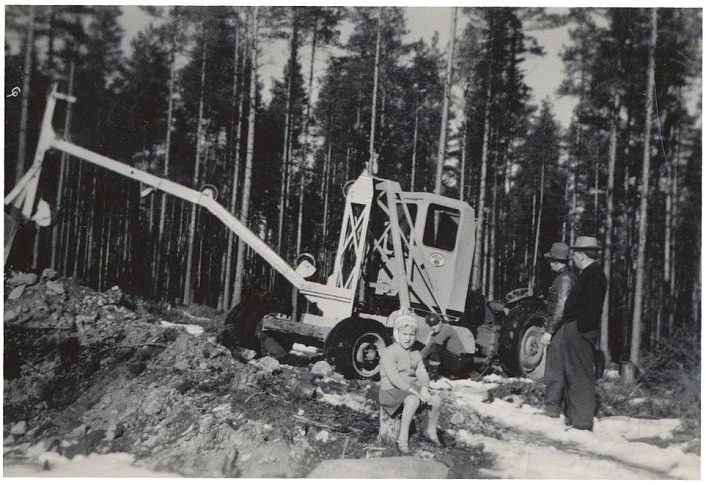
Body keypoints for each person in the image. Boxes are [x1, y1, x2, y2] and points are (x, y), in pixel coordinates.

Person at [379, 312, 443, 454]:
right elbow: (394, 377)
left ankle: (431, 432)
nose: (408, 338)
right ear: (397, 333)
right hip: (390, 390)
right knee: (413, 400)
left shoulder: (415, 354)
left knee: (436, 399)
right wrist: (414, 391)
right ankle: (403, 438)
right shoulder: (389, 352)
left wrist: (425, 388)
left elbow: (422, 373)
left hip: (409, 389)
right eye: (404, 334)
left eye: (411, 335)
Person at [563, 236, 608, 431]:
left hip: (582, 331)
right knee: (574, 372)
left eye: (574, 253)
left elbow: (593, 307)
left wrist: (581, 327)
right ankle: (575, 418)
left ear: (582, 254)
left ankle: (582, 422)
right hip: (578, 329)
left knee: (581, 374)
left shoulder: (594, 275)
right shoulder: (588, 273)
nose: (572, 257)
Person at [540, 242, 577, 418]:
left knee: (555, 368)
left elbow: (560, 308)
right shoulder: (566, 277)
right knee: (558, 367)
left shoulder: (563, 279)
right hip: (563, 328)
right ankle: (555, 406)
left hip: (560, 329)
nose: (550, 265)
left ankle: (552, 408)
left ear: (555, 261)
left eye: (551, 261)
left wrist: (549, 330)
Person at [421, 313, 474, 380]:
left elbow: (437, 342)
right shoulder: (434, 334)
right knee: (425, 358)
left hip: (458, 361)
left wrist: (431, 337)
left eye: (435, 326)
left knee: (435, 347)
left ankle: (432, 375)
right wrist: (417, 358)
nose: (434, 328)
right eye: (432, 327)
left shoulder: (447, 328)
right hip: (450, 360)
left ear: (440, 322)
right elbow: (427, 348)